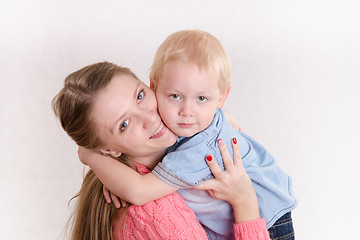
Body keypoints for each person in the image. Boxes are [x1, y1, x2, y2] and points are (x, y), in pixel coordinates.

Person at [53, 62, 270, 239]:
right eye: (124, 124)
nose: (149, 118)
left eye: (139, 96)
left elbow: (226, 122)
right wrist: (246, 202)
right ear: (109, 150)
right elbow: (139, 191)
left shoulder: (186, 136)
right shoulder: (154, 211)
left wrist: (90, 155)